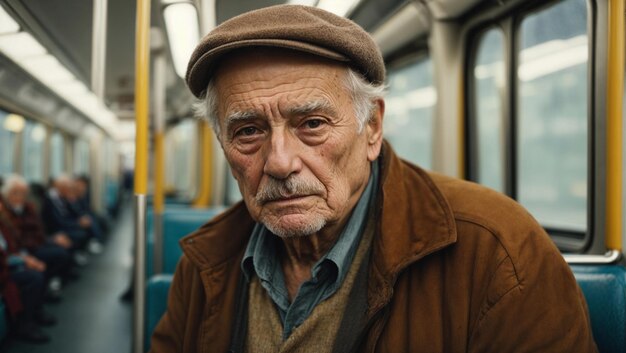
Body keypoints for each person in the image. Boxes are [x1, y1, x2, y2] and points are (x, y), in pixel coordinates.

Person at [150, 5, 598, 352]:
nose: (280, 162)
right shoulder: (206, 263)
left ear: (372, 128)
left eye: (312, 124)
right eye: (248, 131)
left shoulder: (497, 253)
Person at [0, 174, 73, 295]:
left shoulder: (28, 208)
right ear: (7, 194)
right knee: (40, 270)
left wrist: (50, 239)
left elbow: (39, 229)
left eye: (24, 193)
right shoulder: (6, 215)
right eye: (16, 193)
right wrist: (24, 258)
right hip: (26, 249)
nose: (21, 197)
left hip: (34, 244)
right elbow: (15, 242)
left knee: (63, 248)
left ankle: (50, 285)